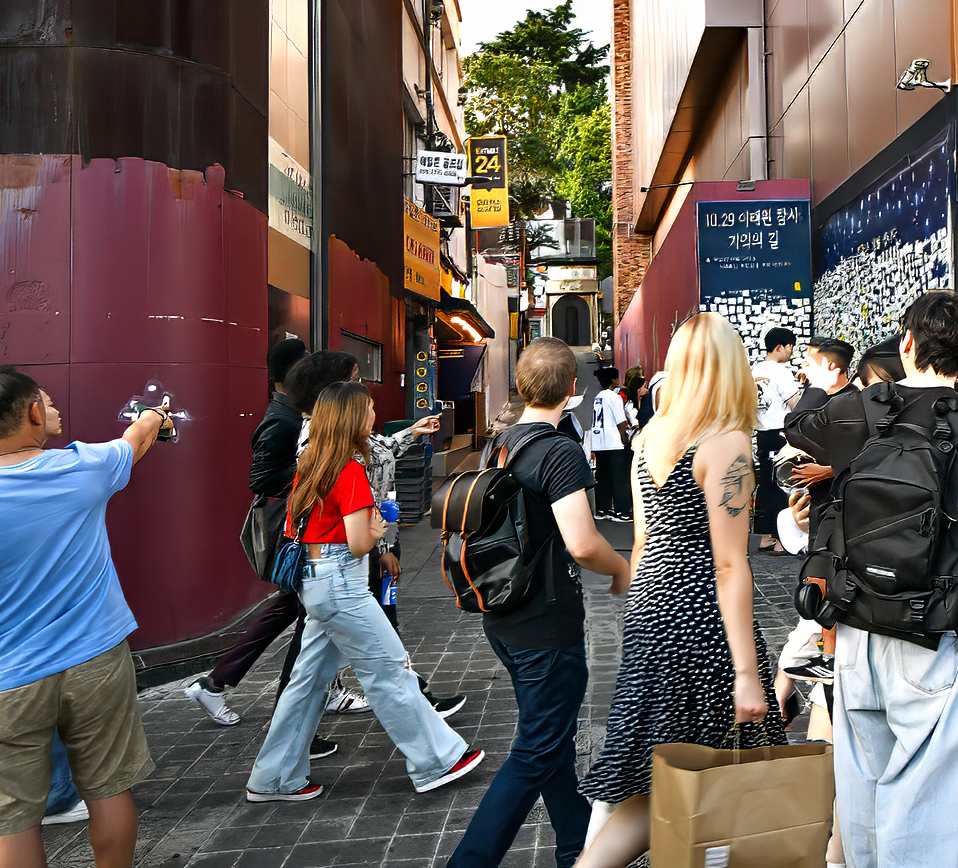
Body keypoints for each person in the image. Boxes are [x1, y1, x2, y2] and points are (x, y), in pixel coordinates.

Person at [785, 292, 958, 867]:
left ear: (908, 343)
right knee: (926, 793)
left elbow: (797, 427)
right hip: (934, 628)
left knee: (862, 782)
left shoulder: (860, 410)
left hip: (855, 623)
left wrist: (821, 381)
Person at [0, 366, 170, 868]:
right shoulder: (86, 467)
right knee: (109, 792)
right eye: (45, 402)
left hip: (1, 679)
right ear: (32, 414)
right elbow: (137, 438)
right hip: (97, 661)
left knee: (12, 825)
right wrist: (156, 415)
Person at [577, 313, 786, 867]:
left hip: (651, 608)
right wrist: (747, 672)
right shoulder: (727, 443)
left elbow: (643, 541)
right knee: (701, 771)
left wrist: (639, 623)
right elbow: (729, 565)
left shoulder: (650, 436)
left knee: (659, 776)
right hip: (702, 620)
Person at [245, 382, 482, 802]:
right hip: (342, 583)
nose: (373, 415)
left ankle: (275, 778)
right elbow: (359, 543)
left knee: (307, 682)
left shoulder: (312, 462)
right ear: (352, 418)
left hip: (317, 581)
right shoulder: (350, 469)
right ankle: (437, 760)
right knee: (389, 669)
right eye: (368, 408)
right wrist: (378, 524)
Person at [449, 337, 632, 868]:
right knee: (535, 751)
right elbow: (583, 542)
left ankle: (576, 849)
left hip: (504, 615)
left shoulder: (500, 444)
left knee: (550, 740)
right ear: (574, 389)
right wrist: (622, 569)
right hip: (546, 625)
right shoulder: (559, 451)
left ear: (521, 386)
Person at [187, 339, 315, 728]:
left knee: (294, 610)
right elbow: (260, 479)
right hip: (293, 531)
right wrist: (314, 466)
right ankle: (290, 717)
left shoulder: (294, 412)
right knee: (306, 614)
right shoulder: (281, 419)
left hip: (304, 528)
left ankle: (216, 683)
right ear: (292, 374)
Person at [752, 327, 803, 553]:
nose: (791, 352)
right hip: (781, 435)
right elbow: (795, 404)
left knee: (765, 484)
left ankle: (765, 537)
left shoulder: (754, 370)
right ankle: (782, 539)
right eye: (791, 347)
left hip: (762, 434)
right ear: (780, 347)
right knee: (783, 485)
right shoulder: (781, 372)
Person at [590, 367, 633, 522]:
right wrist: (624, 439)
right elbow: (621, 422)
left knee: (603, 477)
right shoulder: (614, 397)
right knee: (620, 478)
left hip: (599, 443)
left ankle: (602, 509)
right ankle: (622, 512)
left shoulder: (598, 397)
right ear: (614, 380)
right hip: (614, 443)